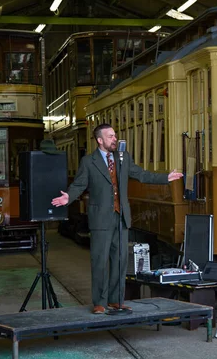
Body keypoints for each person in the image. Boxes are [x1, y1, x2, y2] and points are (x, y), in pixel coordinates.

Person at [51, 124, 183, 314]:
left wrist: (166, 178)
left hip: (121, 217)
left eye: (115, 135)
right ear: (100, 140)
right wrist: (68, 197)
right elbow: (79, 184)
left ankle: (116, 300)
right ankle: (99, 302)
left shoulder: (123, 157)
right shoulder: (89, 162)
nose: (115, 139)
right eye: (110, 136)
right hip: (100, 220)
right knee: (99, 261)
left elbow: (141, 174)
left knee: (120, 261)